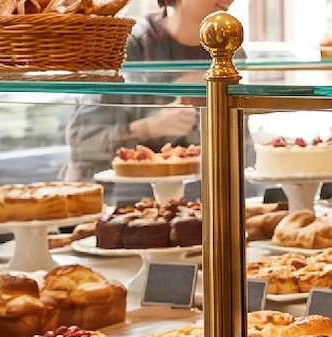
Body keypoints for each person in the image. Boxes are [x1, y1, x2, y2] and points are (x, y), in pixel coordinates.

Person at [65, 0, 236, 203]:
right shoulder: (127, 48)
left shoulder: (229, 49)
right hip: (126, 207)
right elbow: (83, 144)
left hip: (209, 206)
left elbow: (240, 150)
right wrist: (148, 128)